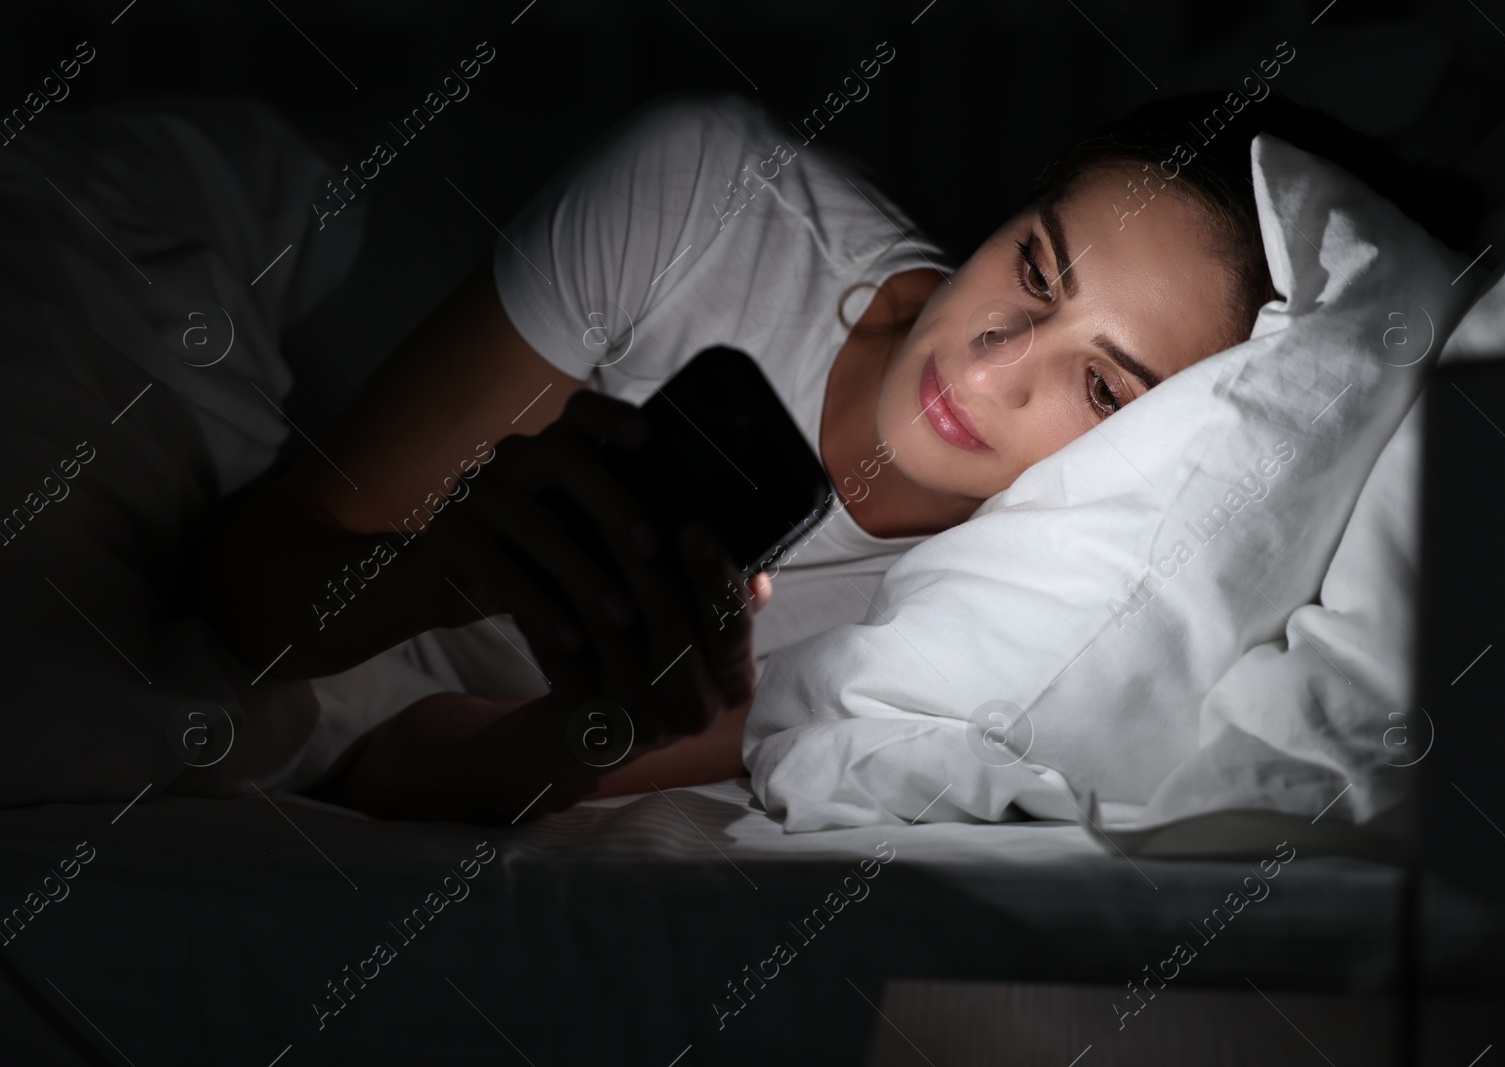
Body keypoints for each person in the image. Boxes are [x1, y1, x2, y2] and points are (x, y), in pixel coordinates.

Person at [192, 92, 1278, 822]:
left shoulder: (974, 632)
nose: (995, 363)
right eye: (1037, 268)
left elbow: (389, 773)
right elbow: (242, 594)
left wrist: (590, 732)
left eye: (1101, 387)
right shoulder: (705, 202)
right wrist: (442, 571)